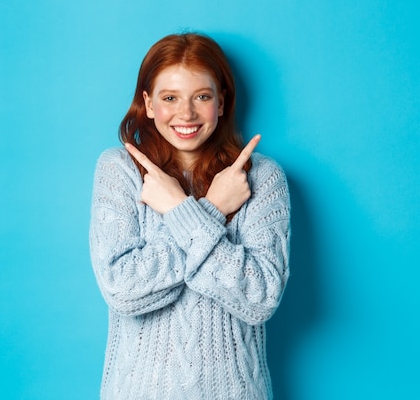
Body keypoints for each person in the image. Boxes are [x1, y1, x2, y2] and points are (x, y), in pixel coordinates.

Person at [89, 32, 290, 400]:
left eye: (201, 96)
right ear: (148, 104)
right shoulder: (120, 170)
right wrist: (212, 210)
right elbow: (122, 288)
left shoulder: (261, 177)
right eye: (170, 98)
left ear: (222, 102)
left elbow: (260, 298)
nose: (186, 114)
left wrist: (182, 211)